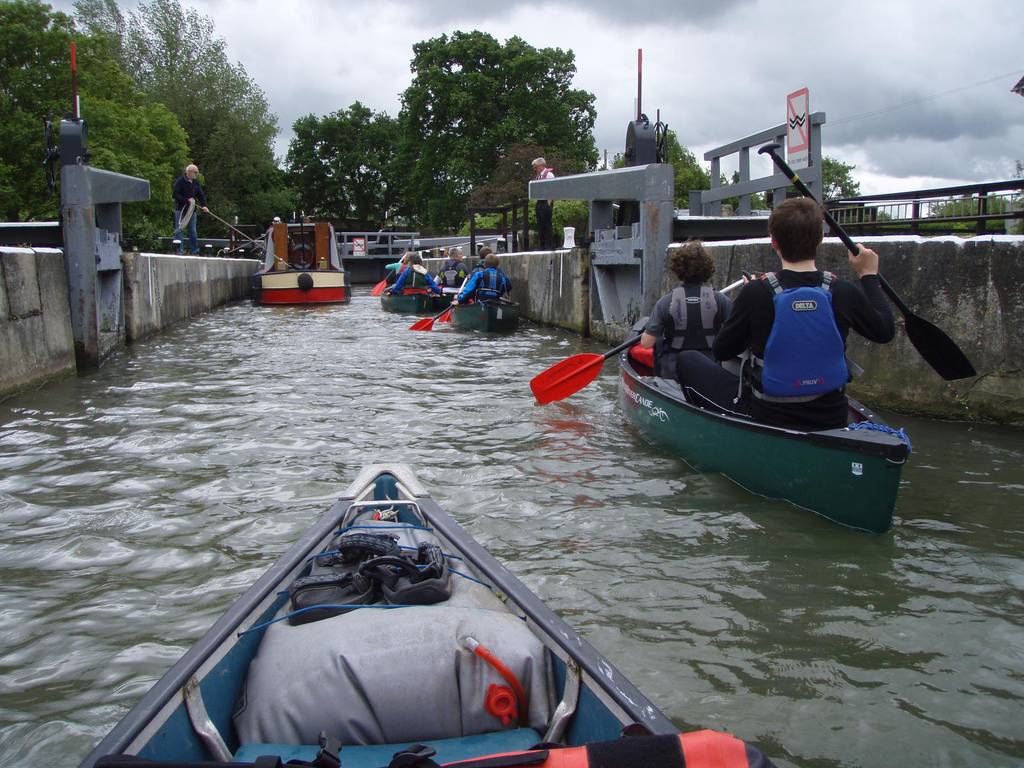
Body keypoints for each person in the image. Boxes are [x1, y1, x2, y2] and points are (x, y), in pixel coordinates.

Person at [676, 197, 895, 431]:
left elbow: (722, 350)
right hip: (831, 417)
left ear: (774, 242)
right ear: (820, 239)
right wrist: (869, 275)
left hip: (767, 415)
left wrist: (748, 312)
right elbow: (884, 331)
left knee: (687, 359)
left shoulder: (756, 292)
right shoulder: (842, 291)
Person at [639, 240, 733, 379]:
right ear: (707, 269)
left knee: (659, 343)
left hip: (675, 374)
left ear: (678, 270)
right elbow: (735, 335)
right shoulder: (721, 301)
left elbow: (646, 343)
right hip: (709, 371)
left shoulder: (665, 303)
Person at [172, 164, 209, 255]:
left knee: (193, 230)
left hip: (192, 210)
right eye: (195, 172)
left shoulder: (196, 182)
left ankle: (194, 250)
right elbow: (175, 195)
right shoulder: (179, 181)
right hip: (181, 209)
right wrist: (186, 200)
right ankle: (179, 250)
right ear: (189, 172)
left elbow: (200, 195)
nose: (196, 174)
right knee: (179, 229)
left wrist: (204, 205)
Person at [531, 157, 555, 250]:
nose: (535, 169)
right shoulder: (538, 176)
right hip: (539, 201)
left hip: (546, 201)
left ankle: (549, 245)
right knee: (540, 223)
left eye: (536, 167)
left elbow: (552, 188)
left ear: (541, 166)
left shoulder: (549, 175)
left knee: (547, 223)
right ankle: (542, 245)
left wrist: (549, 203)